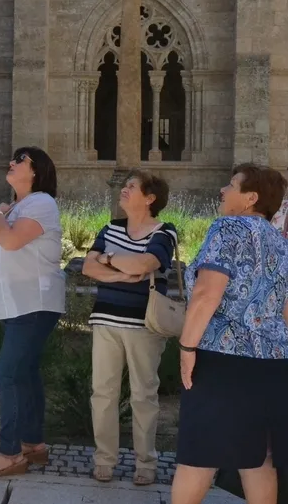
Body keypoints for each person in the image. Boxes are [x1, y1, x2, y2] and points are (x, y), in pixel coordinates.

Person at [171, 164, 288, 504]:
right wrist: (284, 366)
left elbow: (206, 294)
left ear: (251, 198)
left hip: (222, 358)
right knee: (258, 458)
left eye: (231, 185)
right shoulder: (284, 245)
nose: (223, 190)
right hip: (274, 362)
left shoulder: (228, 228)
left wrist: (187, 347)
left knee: (200, 453)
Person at [0, 146, 65, 477]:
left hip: (33, 302)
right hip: (18, 302)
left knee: (8, 372)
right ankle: (33, 444)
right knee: (24, 372)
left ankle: (10, 454)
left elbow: (10, 242)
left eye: (20, 160)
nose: (11, 162)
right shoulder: (17, 206)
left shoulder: (41, 202)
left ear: (36, 171)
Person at [82, 169, 178, 485]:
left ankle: (146, 463)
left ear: (150, 198)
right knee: (102, 393)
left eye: (131, 186)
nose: (124, 189)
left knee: (143, 396)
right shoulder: (110, 227)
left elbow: (146, 264)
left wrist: (108, 259)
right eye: (124, 185)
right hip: (105, 321)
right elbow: (88, 267)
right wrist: (122, 272)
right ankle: (104, 460)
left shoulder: (165, 231)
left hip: (144, 325)